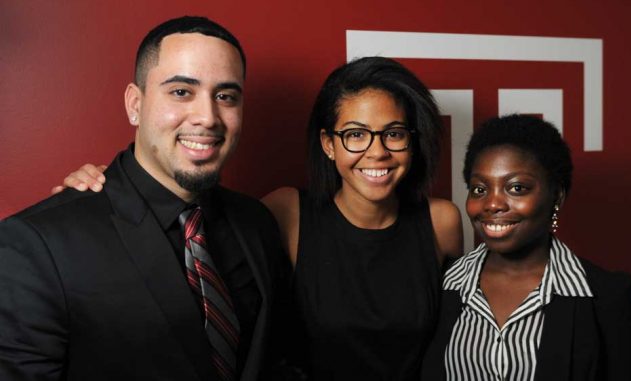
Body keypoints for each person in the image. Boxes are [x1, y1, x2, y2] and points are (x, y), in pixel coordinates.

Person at [55, 56, 464, 380]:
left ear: (413, 140)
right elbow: (186, 227)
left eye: (394, 133)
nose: (377, 152)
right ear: (327, 144)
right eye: (355, 134)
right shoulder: (288, 213)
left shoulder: (442, 222)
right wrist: (104, 189)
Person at [0, 16, 286, 381]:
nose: (207, 117)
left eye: (225, 96)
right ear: (135, 104)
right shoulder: (38, 244)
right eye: (182, 91)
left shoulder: (257, 223)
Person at [420, 115, 631, 380]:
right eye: (479, 189)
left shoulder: (606, 296)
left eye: (516, 188)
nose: (492, 204)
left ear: (556, 196)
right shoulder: (442, 285)